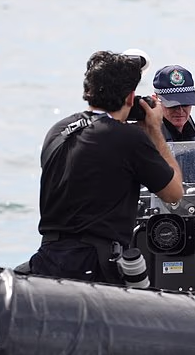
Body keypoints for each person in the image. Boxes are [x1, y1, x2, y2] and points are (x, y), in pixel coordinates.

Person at [28, 50, 183, 284]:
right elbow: (173, 193)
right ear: (131, 98)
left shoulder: (58, 130)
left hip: (48, 260)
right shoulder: (128, 138)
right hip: (94, 267)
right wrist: (154, 131)